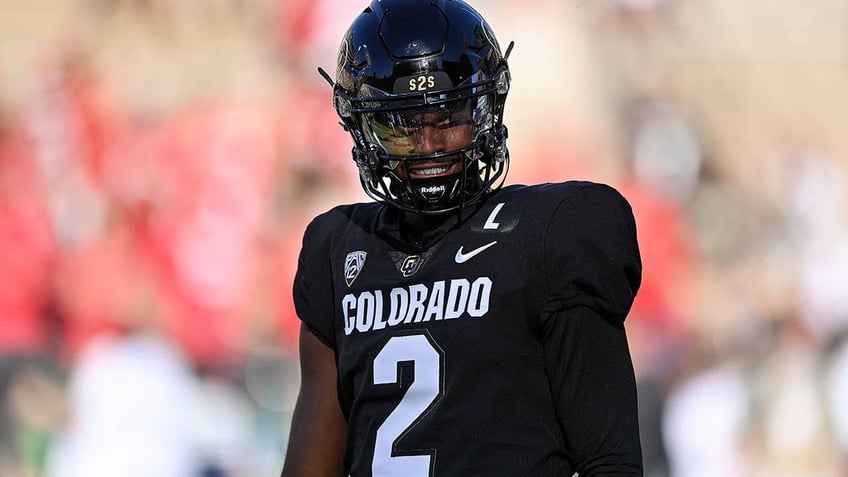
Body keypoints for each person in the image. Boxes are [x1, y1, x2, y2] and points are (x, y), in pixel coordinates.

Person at [280, 0, 644, 475]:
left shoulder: (553, 231)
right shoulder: (338, 246)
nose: (429, 145)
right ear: (361, 126)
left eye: (449, 117)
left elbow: (609, 462)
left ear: (487, 107)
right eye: (402, 125)